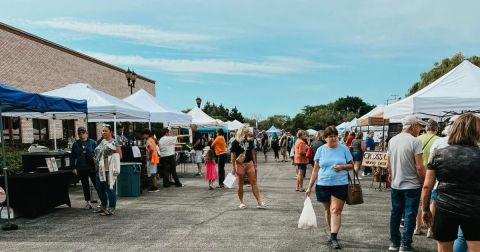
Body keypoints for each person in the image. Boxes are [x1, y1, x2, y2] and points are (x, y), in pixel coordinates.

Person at [421, 113, 480, 252]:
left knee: (443, 248)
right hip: (475, 208)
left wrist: (425, 209)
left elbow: (427, 186)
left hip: (445, 208)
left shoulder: (439, 154)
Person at [305, 126, 353, 250]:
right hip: (323, 184)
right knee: (327, 211)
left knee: (335, 210)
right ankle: (332, 232)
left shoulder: (344, 149)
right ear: (325, 138)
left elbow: (352, 165)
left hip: (340, 184)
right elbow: (315, 170)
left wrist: (343, 167)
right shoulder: (320, 150)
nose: (333, 138)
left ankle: (333, 237)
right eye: (330, 136)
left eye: (335, 136)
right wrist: (309, 187)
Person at [387, 115, 426, 251]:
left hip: (396, 183)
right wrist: (424, 181)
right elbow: (420, 167)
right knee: (410, 214)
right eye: (419, 126)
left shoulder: (392, 140)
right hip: (412, 185)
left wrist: (392, 176)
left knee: (395, 213)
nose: (420, 129)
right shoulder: (415, 142)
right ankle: (405, 244)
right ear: (413, 126)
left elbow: (389, 163)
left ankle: (394, 243)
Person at [230, 126, 266, 209]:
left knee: (253, 182)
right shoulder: (235, 142)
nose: (248, 134)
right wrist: (233, 167)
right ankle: (241, 202)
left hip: (249, 163)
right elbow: (233, 155)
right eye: (247, 132)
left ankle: (259, 202)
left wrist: (255, 164)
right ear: (242, 132)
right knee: (240, 183)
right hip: (239, 164)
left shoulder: (250, 141)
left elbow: (253, 153)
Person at [414, 119, 439, 237]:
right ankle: (430, 229)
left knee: (420, 202)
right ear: (436, 129)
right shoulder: (438, 140)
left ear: (426, 128)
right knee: (432, 201)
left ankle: (417, 227)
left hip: (418, 173)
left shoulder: (417, 139)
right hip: (433, 174)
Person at [94, 124, 122, 216]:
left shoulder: (115, 142)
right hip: (99, 169)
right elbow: (98, 152)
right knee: (99, 188)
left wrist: (108, 157)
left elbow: (119, 155)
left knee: (109, 188)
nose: (103, 132)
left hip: (108, 169)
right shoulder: (102, 141)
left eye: (105, 131)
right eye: (102, 131)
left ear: (111, 132)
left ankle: (111, 208)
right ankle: (104, 206)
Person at [70, 126, 97, 210]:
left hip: (91, 166)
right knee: (85, 185)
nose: (81, 135)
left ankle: (103, 202)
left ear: (86, 133)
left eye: (83, 133)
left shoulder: (92, 142)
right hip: (81, 167)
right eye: (79, 133)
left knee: (97, 184)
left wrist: (95, 158)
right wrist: (73, 168)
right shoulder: (75, 144)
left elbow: (97, 153)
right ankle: (88, 202)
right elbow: (72, 157)